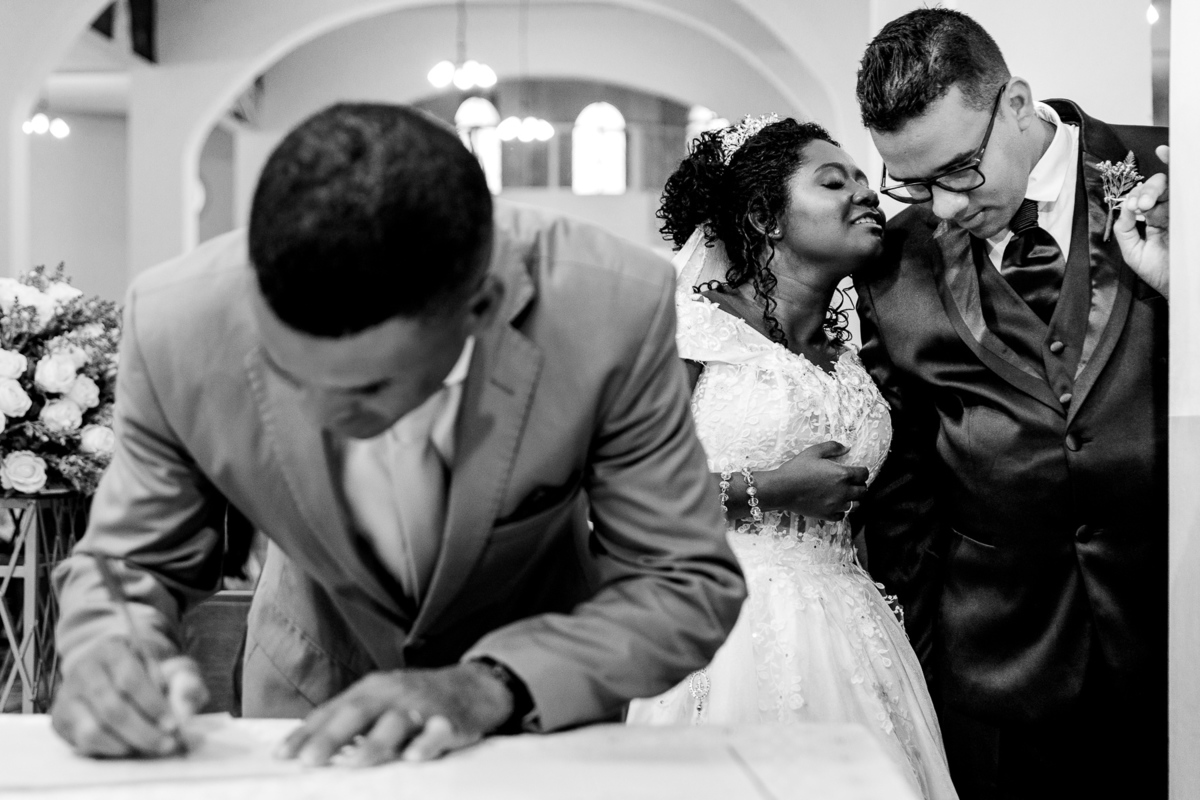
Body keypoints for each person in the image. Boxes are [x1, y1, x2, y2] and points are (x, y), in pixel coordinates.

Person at [49, 103, 746, 766]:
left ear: (484, 307)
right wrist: (112, 650)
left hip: (532, 730)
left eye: (367, 391)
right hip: (305, 693)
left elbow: (681, 579)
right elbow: (132, 559)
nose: (321, 418)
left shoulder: (608, 308)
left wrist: (491, 685)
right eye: (293, 376)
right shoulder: (179, 322)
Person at [854, 9, 1169, 799]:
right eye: (915, 183)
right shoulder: (895, 264)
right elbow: (904, 494)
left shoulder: (1176, 169)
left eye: (959, 170)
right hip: (999, 672)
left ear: (1018, 104)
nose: (946, 208)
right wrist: (929, 664)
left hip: (1175, 634)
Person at [625, 116, 958, 800]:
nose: (866, 194)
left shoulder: (856, 357)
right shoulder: (688, 331)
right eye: (833, 181)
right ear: (763, 217)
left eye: (865, 180)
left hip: (853, 636)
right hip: (729, 639)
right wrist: (771, 489)